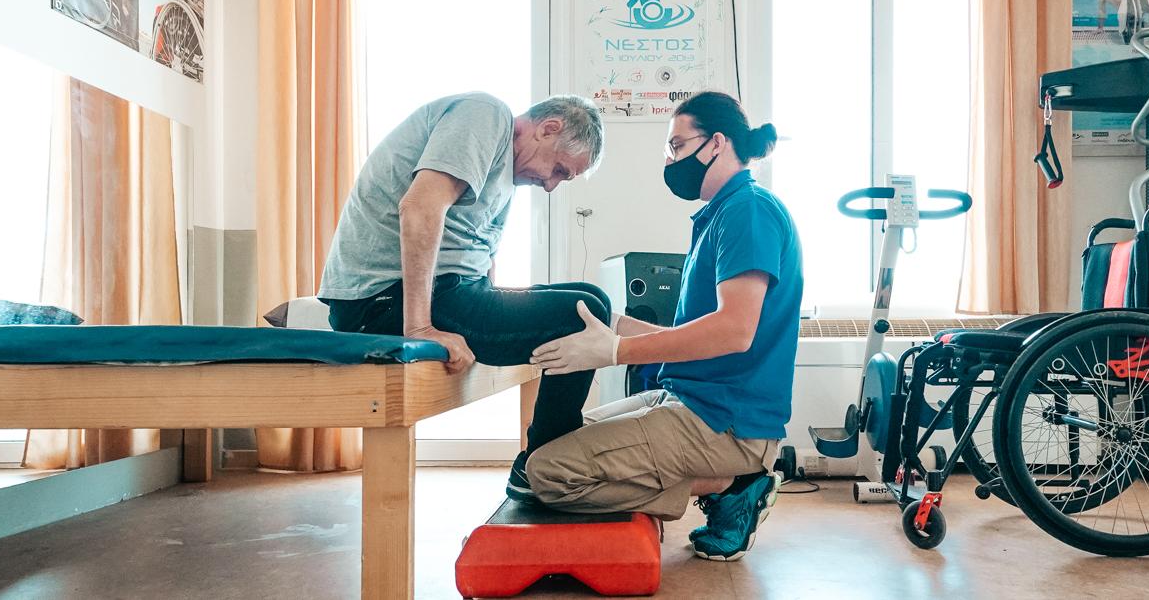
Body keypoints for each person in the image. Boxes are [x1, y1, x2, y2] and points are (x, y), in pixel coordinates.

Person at [525, 91, 802, 562]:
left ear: (716, 143)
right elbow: (690, 337)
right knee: (561, 441)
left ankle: (734, 484)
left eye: (676, 146)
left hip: (725, 423)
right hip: (688, 399)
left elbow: (734, 331)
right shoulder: (718, 215)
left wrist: (613, 351)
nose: (670, 160)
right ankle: (727, 485)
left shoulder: (748, 211)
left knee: (548, 473)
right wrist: (610, 322)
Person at [318, 92, 609, 499]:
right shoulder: (486, 115)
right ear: (549, 128)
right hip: (382, 298)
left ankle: (545, 461)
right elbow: (419, 207)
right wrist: (420, 326)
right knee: (583, 314)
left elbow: (480, 256)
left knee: (588, 297)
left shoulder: (505, 172)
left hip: (448, 290)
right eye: (558, 169)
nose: (549, 185)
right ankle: (546, 470)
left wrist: (498, 307)